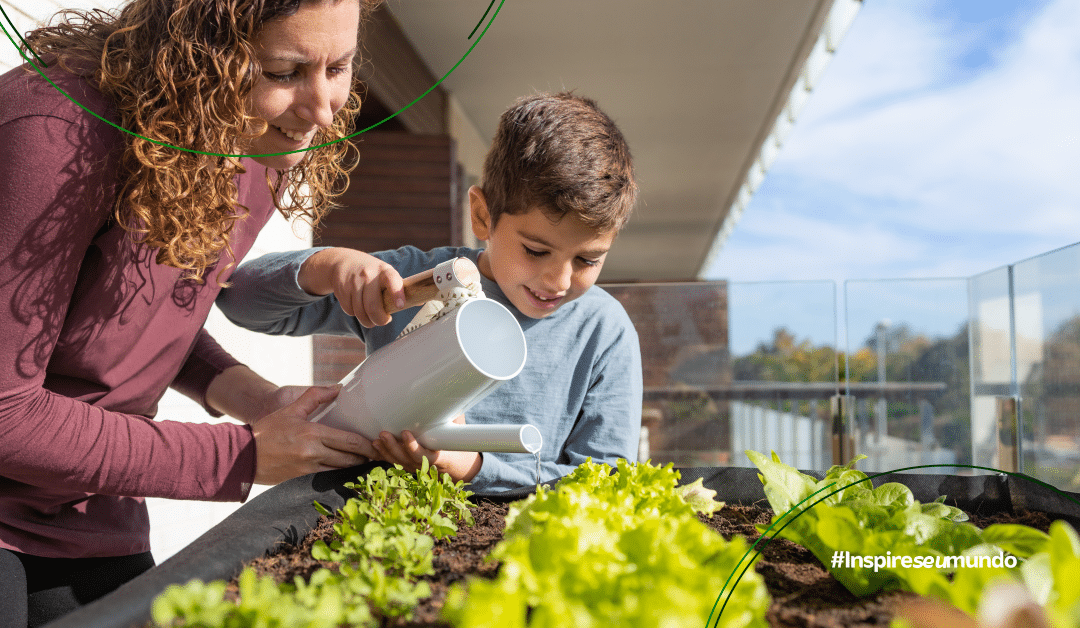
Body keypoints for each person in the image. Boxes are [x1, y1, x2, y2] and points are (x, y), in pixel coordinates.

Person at [0, 0, 386, 624]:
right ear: (199, 52)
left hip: (90, 511)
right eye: (284, 72)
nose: (322, 109)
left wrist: (263, 402)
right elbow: (5, 411)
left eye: (338, 66)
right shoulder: (53, 131)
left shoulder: (256, 140)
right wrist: (241, 457)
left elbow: (139, 309)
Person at [217, 92, 644, 492]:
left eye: (587, 261)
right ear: (482, 216)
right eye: (536, 250)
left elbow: (606, 482)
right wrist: (326, 267)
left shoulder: (604, 331)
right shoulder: (419, 280)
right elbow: (237, 300)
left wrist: (474, 468)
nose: (559, 281)